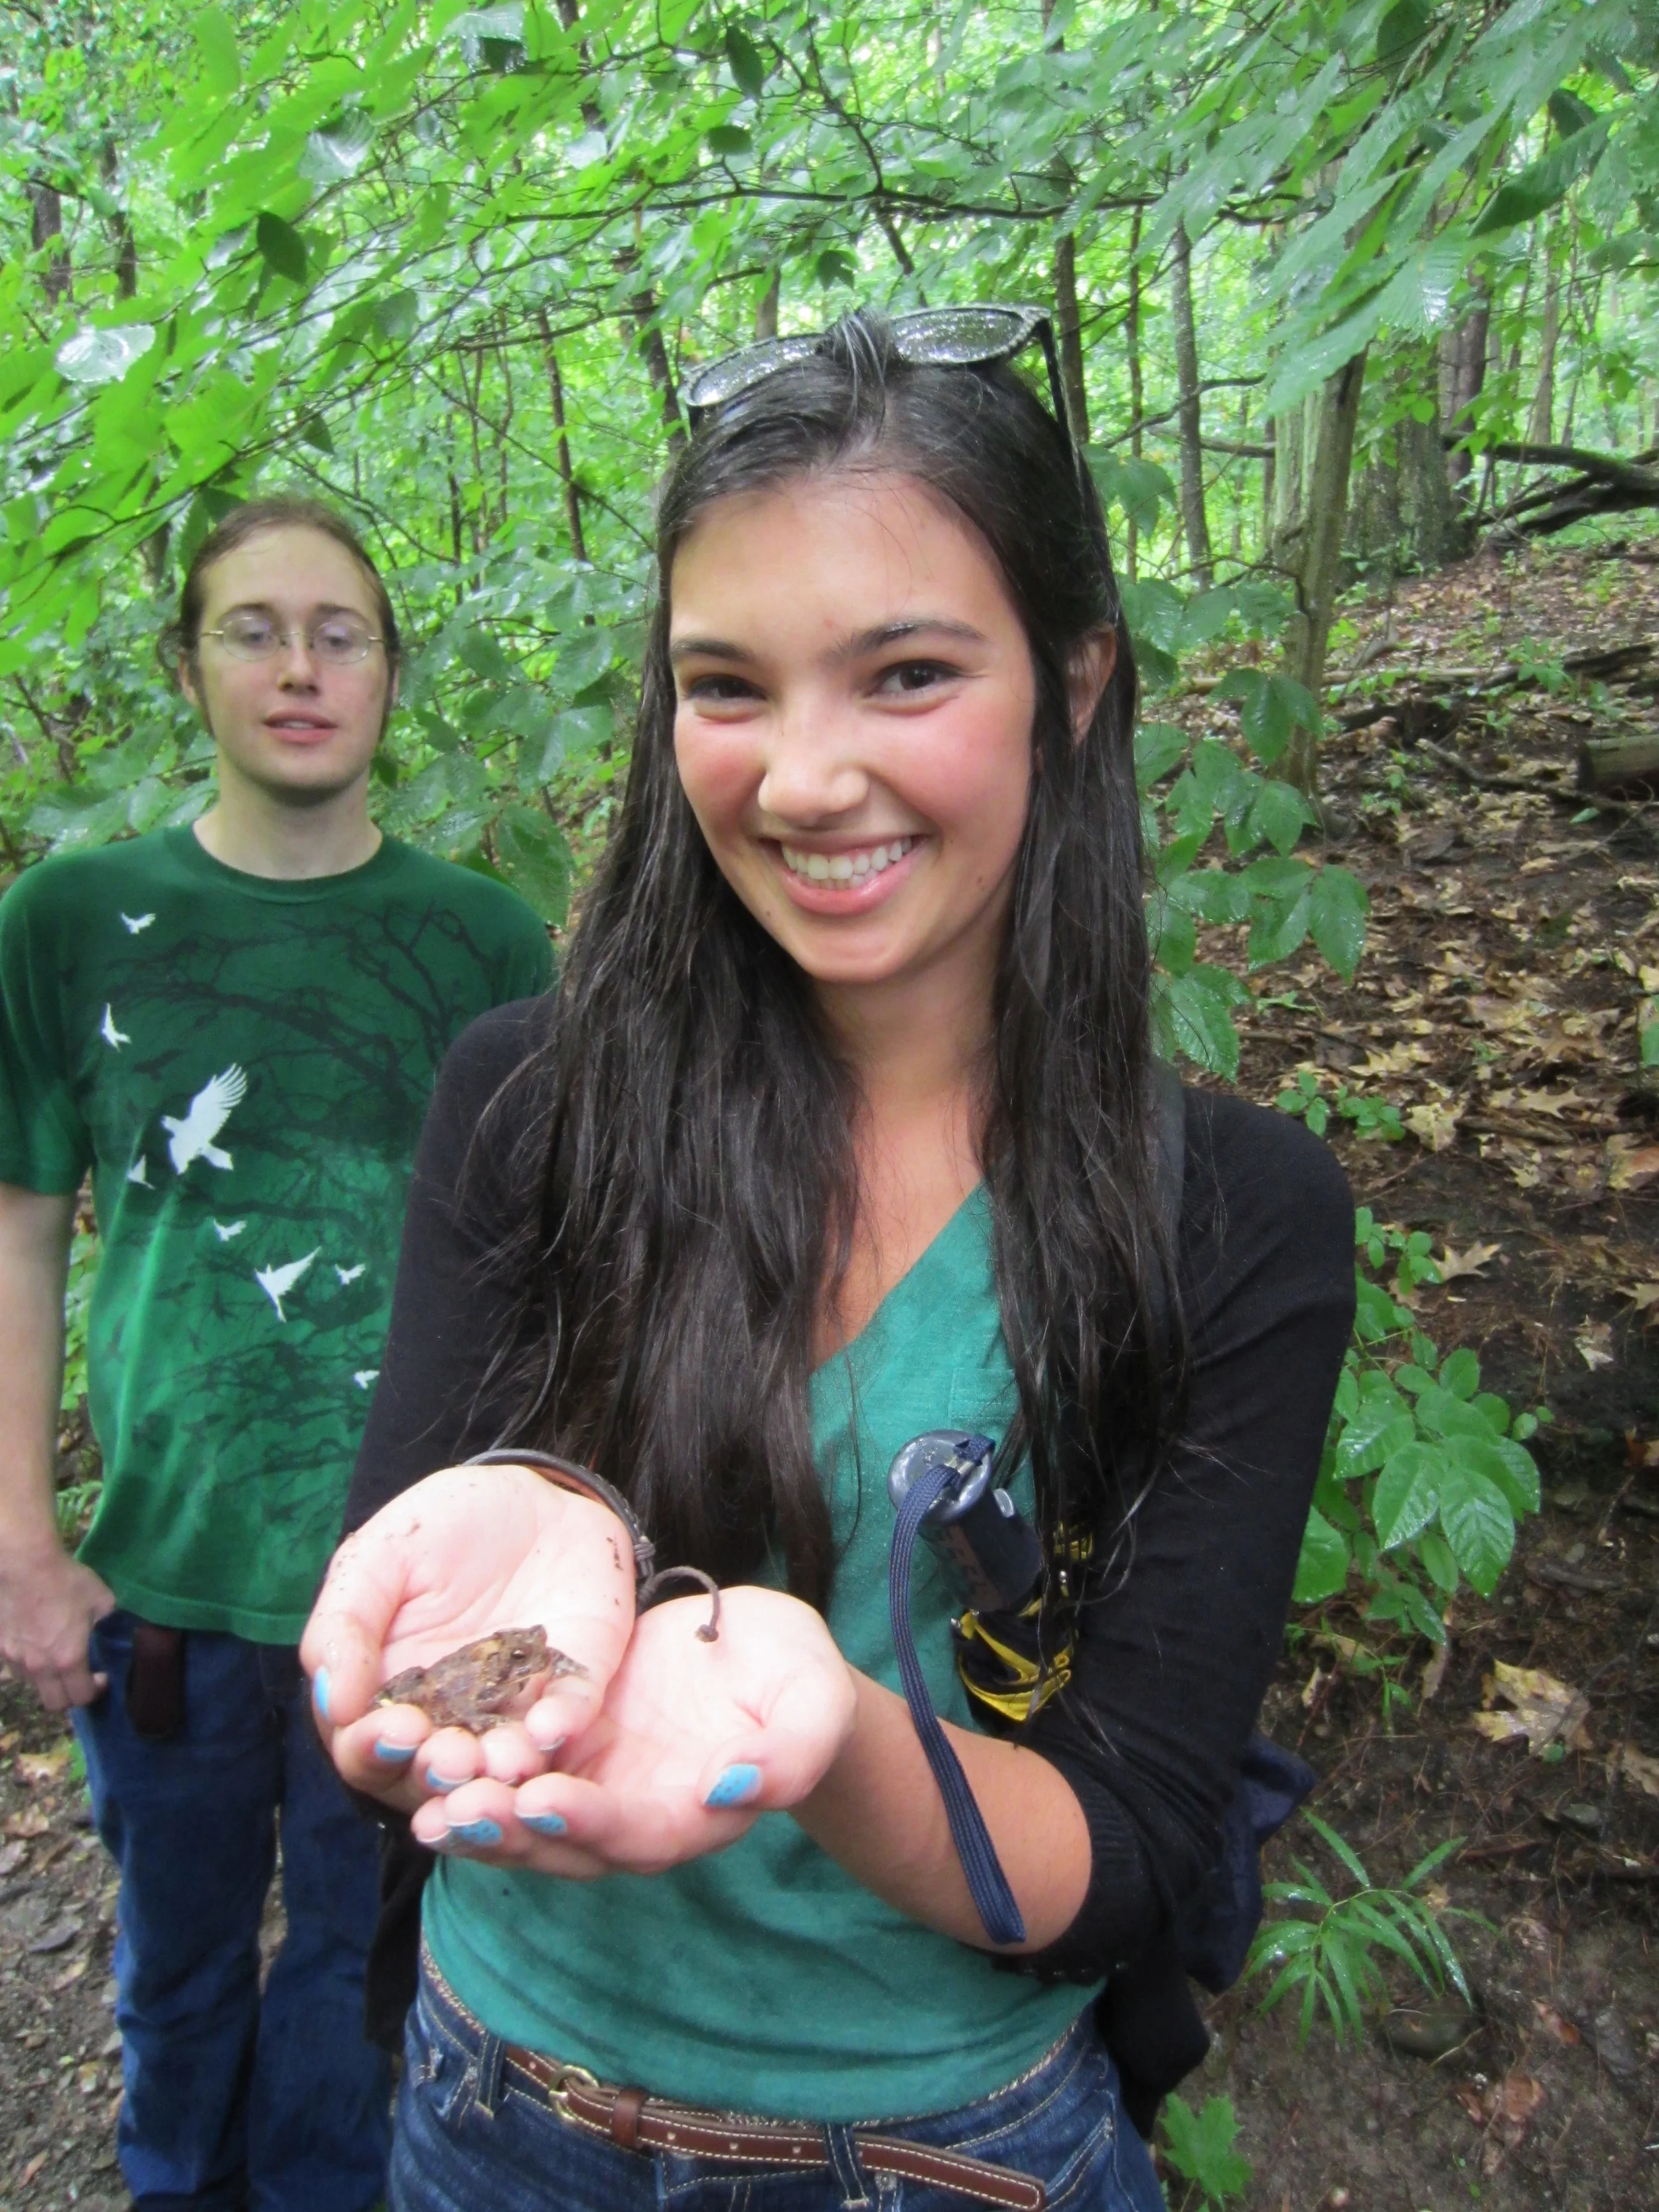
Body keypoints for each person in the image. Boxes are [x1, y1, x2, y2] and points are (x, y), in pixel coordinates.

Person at [303, 310, 1355, 2212]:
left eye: (902, 673)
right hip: (488, 2108)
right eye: (727, 685)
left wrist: (830, 1738)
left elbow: (1117, 1854)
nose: (799, 778)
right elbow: (392, 1710)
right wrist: (490, 1566)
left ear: (1078, 680)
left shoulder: (1226, 1216)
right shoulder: (526, 1103)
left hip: (949, 2150)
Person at [0, 494, 552, 2212]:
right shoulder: (72, 919)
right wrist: (23, 1545)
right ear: (188, 664)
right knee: (172, 1970)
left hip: (412, 1586)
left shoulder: (488, 945)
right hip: (164, 1584)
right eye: (254, 627)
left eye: (340, 631)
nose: (300, 665)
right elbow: (20, 1227)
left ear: (391, 673)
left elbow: (543, 1269)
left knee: (357, 1973)